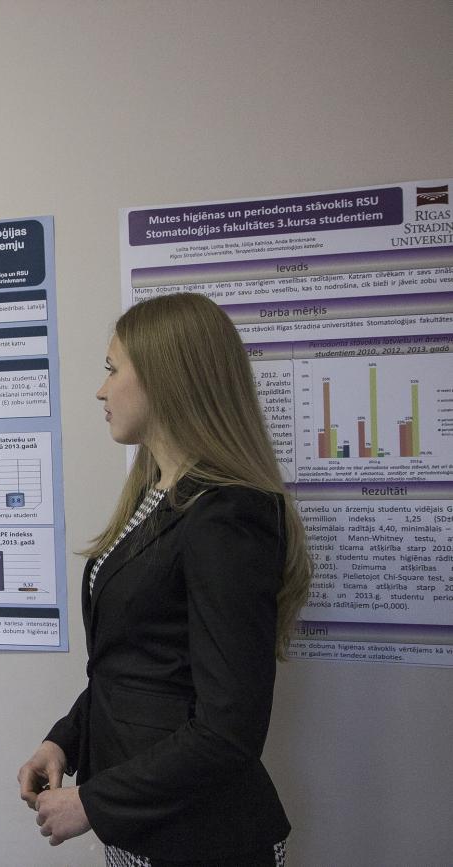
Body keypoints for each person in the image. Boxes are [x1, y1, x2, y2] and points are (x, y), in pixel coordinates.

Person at [17, 292, 311, 866]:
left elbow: (229, 730)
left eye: (112, 369)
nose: (101, 390)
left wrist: (94, 802)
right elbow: (139, 664)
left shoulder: (227, 515)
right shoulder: (160, 496)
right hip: (147, 827)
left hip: (203, 838)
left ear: (165, 378)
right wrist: (65, 740)